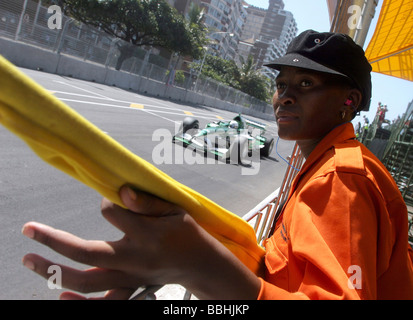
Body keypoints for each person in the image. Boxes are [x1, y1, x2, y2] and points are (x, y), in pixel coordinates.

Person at [21, 30, 413, 300]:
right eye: (281, 85)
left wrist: (199, 266)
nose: (284, 97)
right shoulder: (326, 162)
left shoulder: (342, 178)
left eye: (306, 84)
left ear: (349, 101)